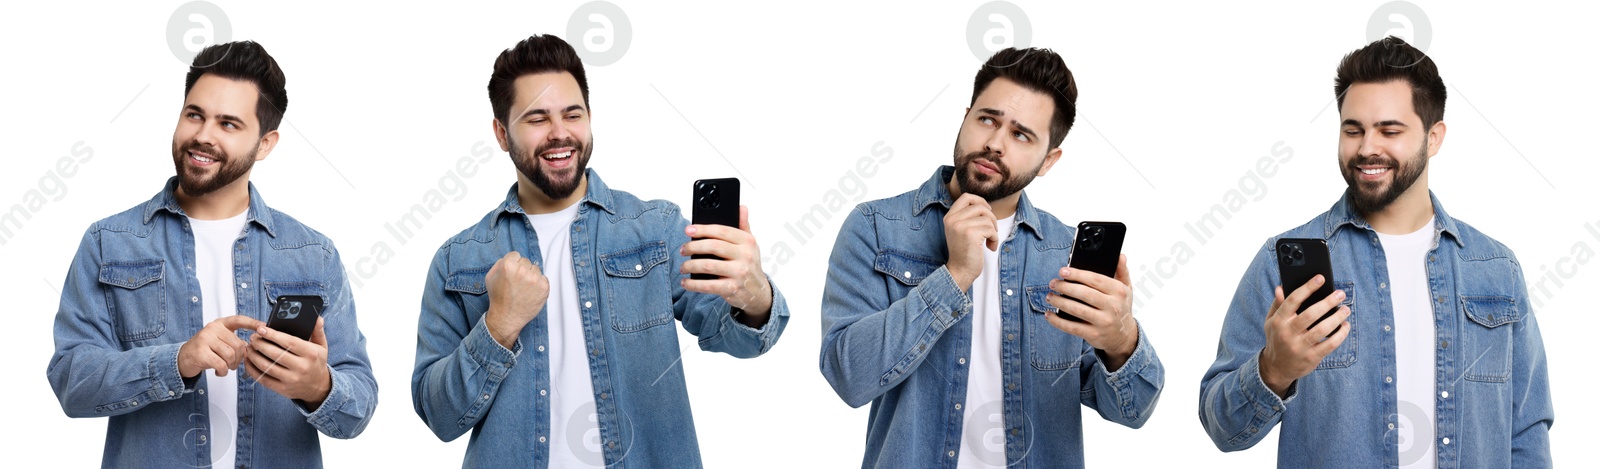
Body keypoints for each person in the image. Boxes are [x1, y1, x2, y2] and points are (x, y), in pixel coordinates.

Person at [411, 34, 789, 468]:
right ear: (501, 133)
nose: (559, 133)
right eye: (537, 118)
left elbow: (739, 339)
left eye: (572, 114)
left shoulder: (654, 229)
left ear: (589, 117)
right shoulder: (459, 260)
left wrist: (755, 299)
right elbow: (438, 415)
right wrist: (498, 325)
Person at [1198, 36, 1554, 468]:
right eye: (1353, 130)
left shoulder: (1495, 268)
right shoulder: (1282, 261)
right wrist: (1274, 369)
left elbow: (1526, 428)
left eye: (1390, 130)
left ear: (1434, 137)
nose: (1367, 147)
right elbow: (1221, 426)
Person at [819, 47, 1164, 468]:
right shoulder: (875, 226)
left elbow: (1133, 411)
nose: (994, 144)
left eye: (1021, 135)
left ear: (1048, 161)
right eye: (987, 119)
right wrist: (955, 274)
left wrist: (1121, 342)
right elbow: (847, 377)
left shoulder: (1064, 253)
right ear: (965, 118)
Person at [47, 40, 378, 468]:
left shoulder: (312, 254)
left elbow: (360, 406)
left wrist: (319, 387)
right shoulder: (109, 242)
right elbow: (72, 383)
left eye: (228, 124)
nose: (203, 135)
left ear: (265, 143)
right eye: (194, 115)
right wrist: (178, 360)